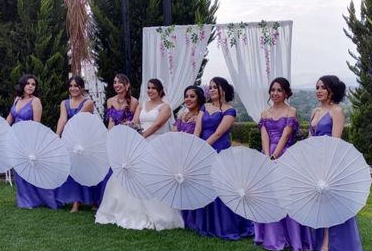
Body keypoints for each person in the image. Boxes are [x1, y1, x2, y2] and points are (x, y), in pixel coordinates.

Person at [95, 79, 183, 230]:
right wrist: (128, 128)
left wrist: (143, 136)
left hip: (155, 143)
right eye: (148, 88)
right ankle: (126, 210)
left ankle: (157, 213)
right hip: (139, 142)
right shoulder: (142, 105)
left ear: (161, 90)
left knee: (151, 176)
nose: (150, 91)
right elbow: (135, 122)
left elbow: (156, 125)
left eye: (153, 88)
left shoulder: (165, 107)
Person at [183, 77, 254, 240]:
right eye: (211, 87)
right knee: (204, 184)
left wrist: (203, 147)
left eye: (216, 87)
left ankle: (226, 225)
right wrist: (195, 146)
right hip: (202, 147)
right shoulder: (204, 106)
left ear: (224, 90)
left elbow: (219, 133)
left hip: (219, 150)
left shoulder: (230, 110)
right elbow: (198, 128)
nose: (213, 89)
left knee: (221, 186)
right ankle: (205, 224)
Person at [254, 77, 314, 251]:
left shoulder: (291, 111)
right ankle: (271, 237)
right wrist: (266, 157)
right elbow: (264, 136)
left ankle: (293, 238)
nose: (275, 93)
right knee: (269, 197)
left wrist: (275, 156)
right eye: (272, 90)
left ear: (286, 92)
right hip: (267, 155)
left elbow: (286, 135)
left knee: (287, 197)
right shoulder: (264, 113)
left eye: (279, 90)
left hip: (286, 155)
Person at [309, 75, 365, 251]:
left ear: (332, 90)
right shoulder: (315, 111)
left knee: (329, 207)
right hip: (315, 164)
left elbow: (335, 144)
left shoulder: (337, 112)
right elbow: (310, 140)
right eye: (317, 87)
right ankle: (320, 245)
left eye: (323, 87)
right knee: (319, 207)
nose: (319, 90)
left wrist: (326, 166)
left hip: (330, 165)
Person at [6, 74, 59, 209]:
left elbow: (37, 124)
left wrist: (33, 142)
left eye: (33, 84)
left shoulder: (36, 101)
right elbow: (10, 118)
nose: (30, 86)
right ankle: (25, 200)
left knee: (33, 169)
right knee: (19, 168)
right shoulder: (17, 99)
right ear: (23, 85)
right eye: (28, 83)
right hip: (15, 139)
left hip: (29, 139)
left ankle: (45, 198)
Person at [54, 75, 99, 213]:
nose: (73, 88)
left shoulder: (88, 103)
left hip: (84, 139)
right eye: (71, 86)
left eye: (76, 86)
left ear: (81, 87)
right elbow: (63, 118)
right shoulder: (64, 103)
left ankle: (94, 200)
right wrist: (57, 134)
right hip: (70, 139)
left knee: (87, 170)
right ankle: (75, 201)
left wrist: (66, 129)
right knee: (72, 170)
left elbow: (77, 118)